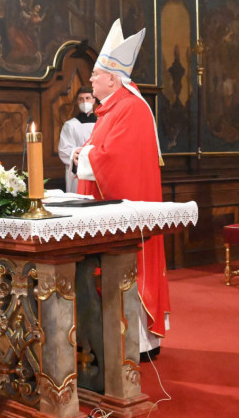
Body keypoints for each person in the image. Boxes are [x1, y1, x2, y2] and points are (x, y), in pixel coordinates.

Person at [73, 19, 168, 359]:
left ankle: (138, 344)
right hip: (109, 209)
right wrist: (84, 154)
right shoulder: (112, 109)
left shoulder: (130, 108)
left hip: (129, 213)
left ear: (113, 79)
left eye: (96, 75)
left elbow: (116, 160)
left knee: (129, 269)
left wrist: (84, 156)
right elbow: (102, 152)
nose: (91, 81)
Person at [57, 86, 97, 193]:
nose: (84, 102)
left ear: (94, 100)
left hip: (98, 169)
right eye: (81, 99)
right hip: (79, 170)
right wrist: (79, 154)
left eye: (87, 98)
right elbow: (64, 150)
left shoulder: (102, 123)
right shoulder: (70, 125)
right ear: (77, 102)